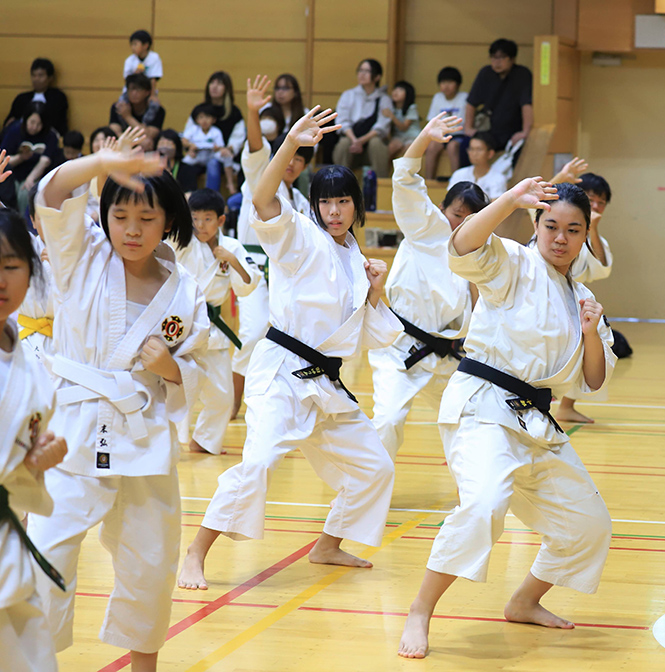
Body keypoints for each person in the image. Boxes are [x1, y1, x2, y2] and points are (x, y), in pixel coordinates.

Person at [178, 104, 404, 590]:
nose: (335, 211)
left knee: (375, 466)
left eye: (344, 202)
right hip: (281, 371)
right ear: (315, 206)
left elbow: (371, 331)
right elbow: (261, 198)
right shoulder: (300, 236)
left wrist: (377, 291)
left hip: (325, 381)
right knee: (257, 464)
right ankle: (195, 553)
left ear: (356, 206)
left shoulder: (354, 256)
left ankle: (328, 544)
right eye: (327, 202)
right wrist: (291, 145)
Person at [397, 179, 617, 659]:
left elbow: (593, 381)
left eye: (573, 230)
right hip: (483, 406)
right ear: (536, 225)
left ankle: (523, 601)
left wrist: (591, 333)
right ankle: (420, 609)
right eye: (552, 225)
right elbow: (461, 244)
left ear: (584, 237)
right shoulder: (514, 263)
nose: (561, 237)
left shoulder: (581, 297)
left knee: (590, 524)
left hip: (535, 421)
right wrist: (508, 201)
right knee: (483, 505)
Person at [26, 133, 209, 672]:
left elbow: (197, 368)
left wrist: (168, 367)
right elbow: (53, 194)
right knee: (46, 559)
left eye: (147, 219)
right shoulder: (80, 255)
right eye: (121, 215)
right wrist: (99, 162)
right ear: (105, 216)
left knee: (151, 564)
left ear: (169, 222)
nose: (132, 229)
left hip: (143, 437)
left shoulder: (185, 291)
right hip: (69, 434)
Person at [0, 204, 69, 672]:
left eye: (10, 266)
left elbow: (1, 459)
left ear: (31, 272)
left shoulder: (31, 364)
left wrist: (33, 461)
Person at [369, 113, 489, 459]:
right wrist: (423, 138)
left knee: (468, 420)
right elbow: (406, 178)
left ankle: (469, 492)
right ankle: (363, 494)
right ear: (441, 209)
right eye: (457, 214)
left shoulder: (481, 249)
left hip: (448, 355)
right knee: (388, 420)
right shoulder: (425, 228)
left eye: (472, 219)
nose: (462, 224)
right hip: (400, 348)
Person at [230, 75, 313, 419]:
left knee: (284, 339)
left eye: (298, 159)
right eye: (287, 156)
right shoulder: (261, 182)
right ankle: (232, 404)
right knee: (251, 334)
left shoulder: (302, 202)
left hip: (284, 276)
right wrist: (253, 112)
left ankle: (278, 404)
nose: (291, 163)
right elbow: (255, 150)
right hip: (251, 267)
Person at [174, 189, 259, 454]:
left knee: (223, 397)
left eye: (207, 219)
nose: (200, 225)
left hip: (213, 330)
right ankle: (172, 444)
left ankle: (203, 441)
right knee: (180, 391)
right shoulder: (182, 242)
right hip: (181, 325)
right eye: (195, 218)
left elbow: (248, 284)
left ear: (221, 220)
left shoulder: (231, 247)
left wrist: (232, 260)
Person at [544, 163, 618, 424]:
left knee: (588, 347)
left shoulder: (589, 234)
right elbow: (537, 204)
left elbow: (601, 268)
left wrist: (592, 230)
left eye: (601, 202)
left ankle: (565, 405)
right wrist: (558, 179)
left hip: (571, 300)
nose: (596, 206)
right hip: (544, 295)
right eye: (592, 199)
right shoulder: (552, 224)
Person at [0, 152, 56, 366]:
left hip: (69, 342)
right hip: (26, 339)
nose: (53, 222)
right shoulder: (29, 245)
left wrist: (64, 264)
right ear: (33, 221)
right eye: (45, 217)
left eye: (59, 214)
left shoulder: (85, 252)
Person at [463, 39, 533, 157]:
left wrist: (525, 132)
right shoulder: (485, 73)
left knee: (521, 149)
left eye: (502, 58)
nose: (497, 62)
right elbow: (471, 103)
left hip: (512, 131)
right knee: (465, 145)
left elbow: (526, 104)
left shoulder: (522, 74)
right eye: (493, 57)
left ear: (512, 58)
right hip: (488, 130)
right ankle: (463, 176)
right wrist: (468, 128)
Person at [183, 72, 246, 193]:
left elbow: (238, 138)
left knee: (213, 163)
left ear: (227, 89)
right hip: (198, 153)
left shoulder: (234, 112)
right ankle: (188, 200)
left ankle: (211, 199)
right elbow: (188, 133)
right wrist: (190, 147)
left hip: (219, 156)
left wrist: (228, 149)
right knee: (185, 166)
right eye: (212, 83)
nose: (214, 87)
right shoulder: (199, 110)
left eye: (219, 84)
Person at [332, 59, 394, 178]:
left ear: (377, 77)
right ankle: (338, 185)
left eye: (367, 71)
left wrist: (362, 141)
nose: (362, 74)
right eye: (360, 70)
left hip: (370, 145)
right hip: (351, 143)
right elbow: (342, 122)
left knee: (376, 143)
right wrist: (354, 140)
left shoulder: (384, 99)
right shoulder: (348, 95)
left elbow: (382, 126)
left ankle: (381, 188)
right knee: (343, 143)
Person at [0, 102, 61, 216]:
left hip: (36, 175)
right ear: (26, 119)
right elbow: (2, 160)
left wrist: (30, 178)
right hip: (13, 173)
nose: (35, 127)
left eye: (39, 124)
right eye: (32, 122)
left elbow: (45, 161)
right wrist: (21, 157)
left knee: (26, 192)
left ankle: (24, 225)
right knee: (7, 191)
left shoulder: (50, 136)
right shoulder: (15, 131)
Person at [4, 58, 69, 135]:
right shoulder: (21, 99)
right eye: (34, 75)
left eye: (40, 75)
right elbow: (9, 121)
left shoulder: (58, 98)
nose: (36, 79)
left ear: (50, 78)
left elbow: (60, 123)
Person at [424, 67, 469, 179]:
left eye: (450, 82)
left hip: (458, 134)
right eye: (443, 82)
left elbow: (462, 122)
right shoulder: (437, 97)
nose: (446, 86)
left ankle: (456, 181)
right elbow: (432, 120)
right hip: (441, 134)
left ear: (458, 84)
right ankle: (428, 181)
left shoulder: (464, 97)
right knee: (432, 147)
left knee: (452, 147)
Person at [181, 103, 236, 193]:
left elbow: (220, 146)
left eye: (207, 117)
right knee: (183, 164)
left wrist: (218, 149)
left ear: (213, 119)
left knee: (227, 156)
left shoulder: (216, 131)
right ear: (196, 120)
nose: (204, 120)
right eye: (201, 117)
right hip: (196, 155)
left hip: (211, 155)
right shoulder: (193, 129)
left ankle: (230, 182)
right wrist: (191, 146)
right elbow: (184, 141)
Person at [109, 73, 165, 147]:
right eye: (131, 89)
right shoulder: (118, 107)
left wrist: (127, 117)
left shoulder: (157, 110)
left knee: (147, 143)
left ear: (147, 92)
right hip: (122, 145)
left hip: (144, 147)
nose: (134, 93)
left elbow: (149, 135)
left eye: (138, 89)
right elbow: (114, 131)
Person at [447, 132, 507, 199]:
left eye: (479, 149)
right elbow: (450, 201)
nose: (474, 154)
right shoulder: (458, 174)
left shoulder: (498, 178)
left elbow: (496, 206)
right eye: (471, 149)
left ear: (490, 153)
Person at [383, 80, 421, 159]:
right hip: (398, 136)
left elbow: (404, 127)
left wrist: (392, 116)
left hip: (412, 137)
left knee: (408, 151)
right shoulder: (392, 108)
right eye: (395, 89)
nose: (396, 92)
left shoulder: (412, 108)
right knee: (390, 148)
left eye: (400, 90)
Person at [122, 29, 163, 96]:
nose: (133, 47)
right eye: (131, 45)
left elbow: (153, 79)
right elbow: (126, 79)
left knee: (154, 105)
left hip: (148, 92)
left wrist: (152, 96)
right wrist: (135, 74)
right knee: (119, 105)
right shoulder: (129, 60)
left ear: (145, 45)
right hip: (130, 93)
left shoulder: (154, 58)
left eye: (135, 44)